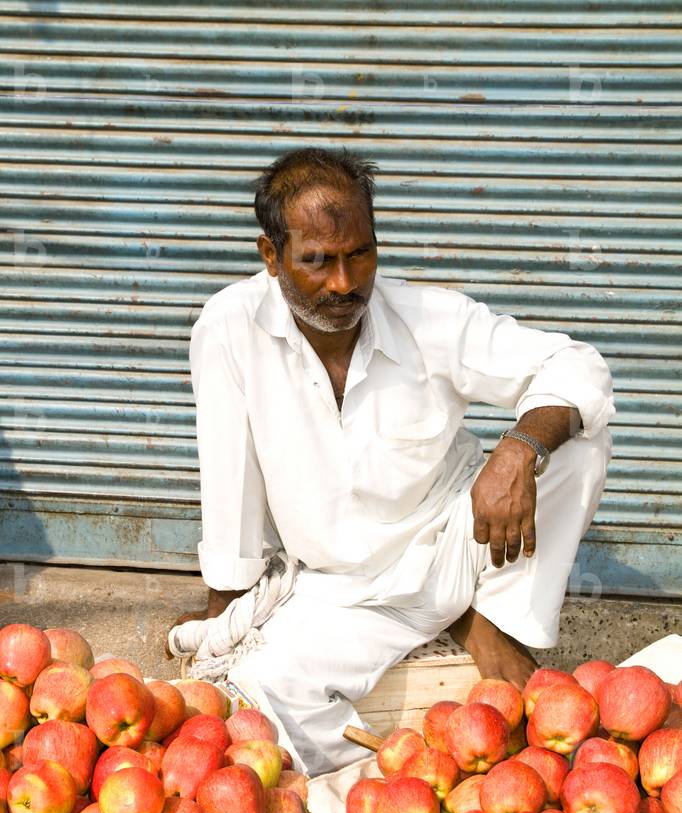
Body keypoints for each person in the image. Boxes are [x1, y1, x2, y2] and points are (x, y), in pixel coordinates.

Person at [168, 146, 614, 774]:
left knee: (578, 436)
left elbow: (578, 366)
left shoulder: (429, 317)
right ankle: (392, 799)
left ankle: (498, 626)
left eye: (360, 254)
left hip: (457, 542)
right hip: (337, 588)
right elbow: (228, 471)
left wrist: (520, 446)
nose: (345, 284)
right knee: (259, 706)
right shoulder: (229, 327)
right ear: (271, 256)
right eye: (318, 261)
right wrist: (226, 608)